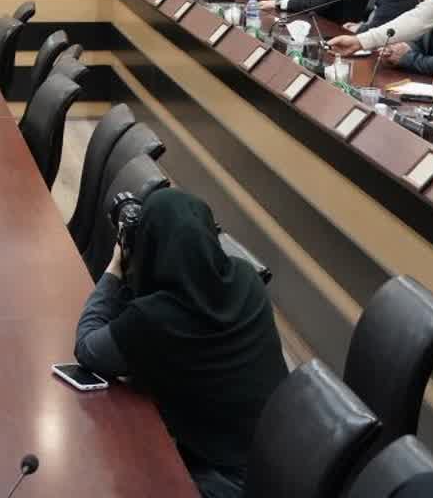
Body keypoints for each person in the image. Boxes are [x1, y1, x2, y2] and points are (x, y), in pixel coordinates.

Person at [73, 187, 286, 498]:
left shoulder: (156, 317)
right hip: (278, 465)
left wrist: (116, 268)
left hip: (225, 483)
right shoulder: (247, 279)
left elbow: (87, 347)